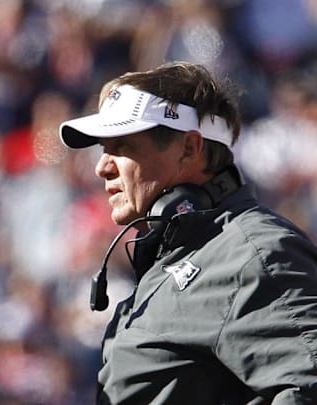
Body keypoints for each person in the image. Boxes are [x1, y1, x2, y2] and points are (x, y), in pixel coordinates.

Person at [59, 61, 317, 403]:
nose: (101, 166)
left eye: (122, 147)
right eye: (104, 149)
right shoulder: (180, 257)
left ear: (190, 149)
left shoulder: (255, 253)